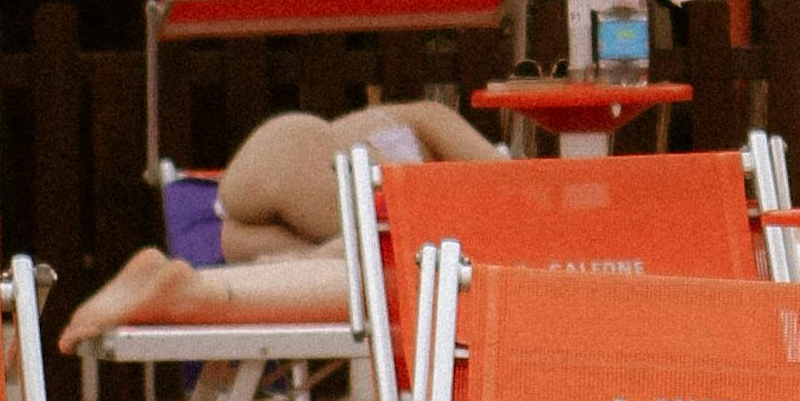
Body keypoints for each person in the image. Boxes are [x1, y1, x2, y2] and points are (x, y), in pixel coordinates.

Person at [59, 93, 505, 350]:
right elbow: (507, 189)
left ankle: (169, 283)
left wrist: (303, 256)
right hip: (299, 155)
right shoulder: (435, 145)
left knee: (360, 253)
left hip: (268, 178)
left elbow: (235, 239)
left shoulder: (418, 158)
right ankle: (178, 286)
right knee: (383, 247)